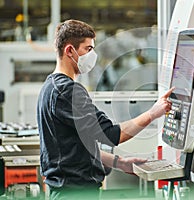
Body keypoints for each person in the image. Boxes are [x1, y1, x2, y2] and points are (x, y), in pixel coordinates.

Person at [36, 19, 174, 200]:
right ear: (69, 51)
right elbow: (110, 134)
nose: (93, 56)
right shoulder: (67, 91)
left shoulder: (51, 86)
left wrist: (120, 163)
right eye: (88, 49)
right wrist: (153, 113)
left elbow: (79, 147)